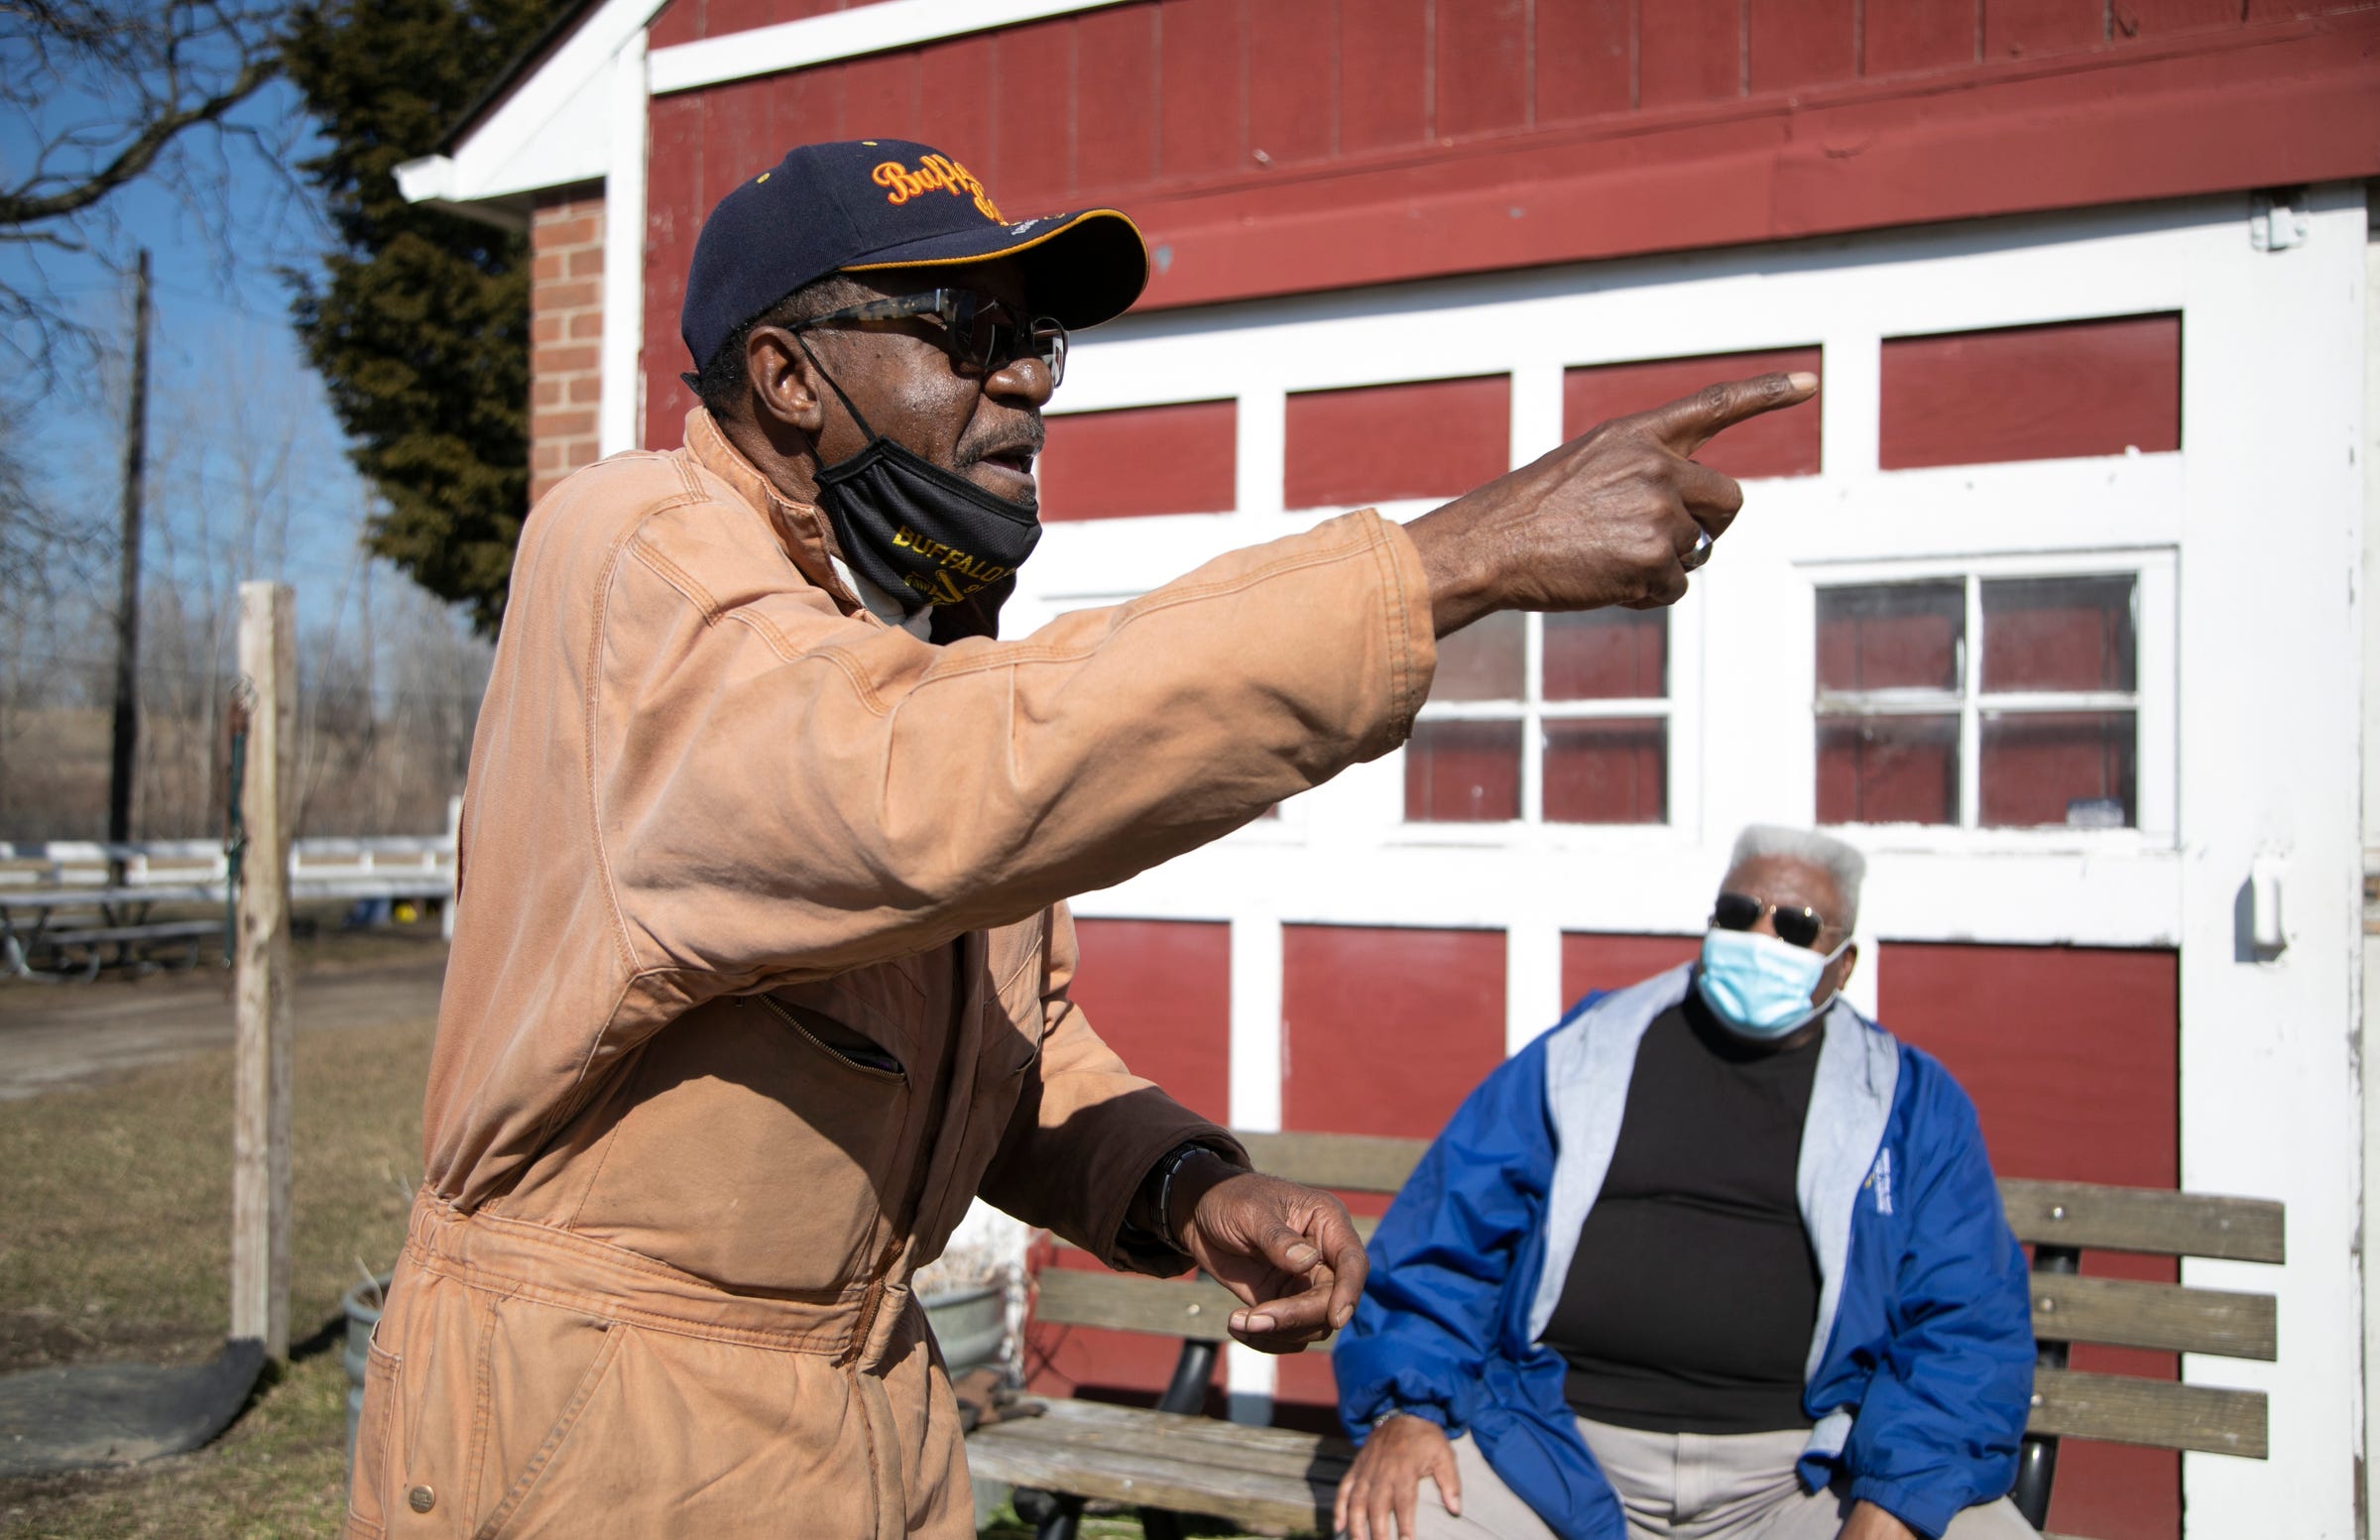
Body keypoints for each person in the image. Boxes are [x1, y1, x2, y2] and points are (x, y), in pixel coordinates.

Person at [344, 138, 1815, 1540]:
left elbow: (1018, 1042)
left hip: (868, 1413)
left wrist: (1185, 1187)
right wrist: (1452, 560)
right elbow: (910, 789)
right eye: (968, 331)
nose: (1031, 380)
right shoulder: (633, 553)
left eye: (1040, 337)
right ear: (790, 376)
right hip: (602, 1435)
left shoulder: (912, 642)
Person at [1332, 826, 2036, 1540]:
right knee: (1398, 1520)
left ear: (1844, 963)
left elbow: (1965, 1320)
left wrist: (1899, 1494)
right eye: (1739, 913)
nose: (1761, 936)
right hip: (1553, 1448)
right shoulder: (1584, 1056)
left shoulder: (1909, 1104)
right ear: (1709, 924)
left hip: (1806, 1473)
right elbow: (1445, 1241)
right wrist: (1408, 1408)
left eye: (1795, 926)